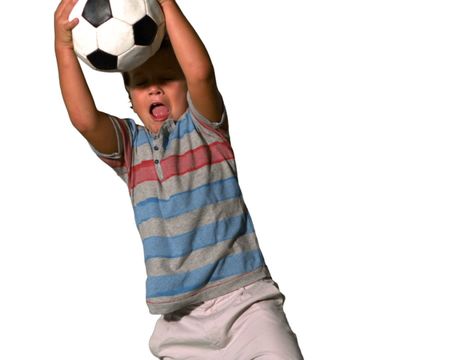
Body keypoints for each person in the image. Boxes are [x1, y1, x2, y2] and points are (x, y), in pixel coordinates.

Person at [54, 0, 303, 358]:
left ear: (185, 85)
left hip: (246, 305)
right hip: (179, 323)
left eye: (167, 78)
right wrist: (63, 46)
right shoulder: (131, 149)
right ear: (130, 99)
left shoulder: (205, 128)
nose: (154, 89)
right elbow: (84, 120)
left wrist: (164, 3)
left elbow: (201, 73)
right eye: (142, 83)